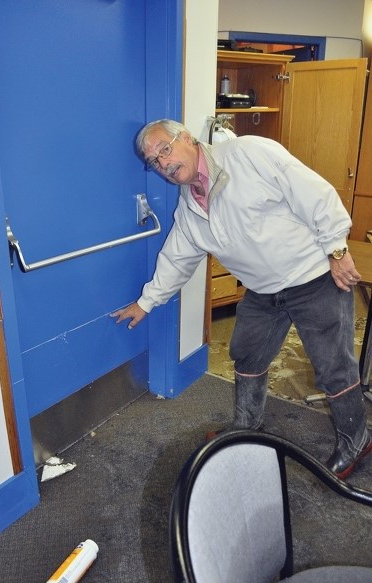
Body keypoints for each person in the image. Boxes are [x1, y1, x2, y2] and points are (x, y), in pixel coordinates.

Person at [112, 118, 371, 480]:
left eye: (165, 149)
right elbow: (177, 258)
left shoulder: (248, 154)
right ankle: (248, 427)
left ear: (186, 137)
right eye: (154, 161)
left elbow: (314, 193)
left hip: (312, 277)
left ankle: (356, 440)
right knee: (247, 353)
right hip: (263, 290)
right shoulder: (190, 206)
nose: (163, 163)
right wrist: (146, 302)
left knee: (333, 367)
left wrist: (338, 249)